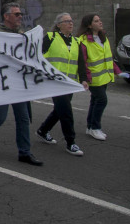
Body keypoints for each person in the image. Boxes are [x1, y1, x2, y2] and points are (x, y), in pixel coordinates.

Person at [0, 2, 43, 166]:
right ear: (6, 16)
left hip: (18, 84)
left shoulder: (21, 34)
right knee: (0, 116)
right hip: (2, 83)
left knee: (23, 118)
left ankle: (24, 152)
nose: (20, 17)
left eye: (20, 14)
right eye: (16, 14)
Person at [36, 13, 88, 156]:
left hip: (69, 83)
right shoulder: (51, 38)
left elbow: (81, 63)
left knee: (60, 110)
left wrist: (83, 79)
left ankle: (43, 130)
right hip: (55, 83)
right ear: (58, 25)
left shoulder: (77, 41)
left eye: (71, 21)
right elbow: (37, 56)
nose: (71, 23)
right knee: (66, 111)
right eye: (66, 21)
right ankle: (71, 143)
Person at [77, 14, 128, 141]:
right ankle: (95, 128)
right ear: (89, 25)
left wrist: (118, 72)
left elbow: (108, 58)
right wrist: (85, 79)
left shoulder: (102, 37)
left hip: (104, 77)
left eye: (100, 20)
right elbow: (82, 62)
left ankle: (90, 127)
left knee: (95, 101)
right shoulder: (83, 41)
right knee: (102, 100)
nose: (100, 22)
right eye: (96, 21)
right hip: (93, 79)